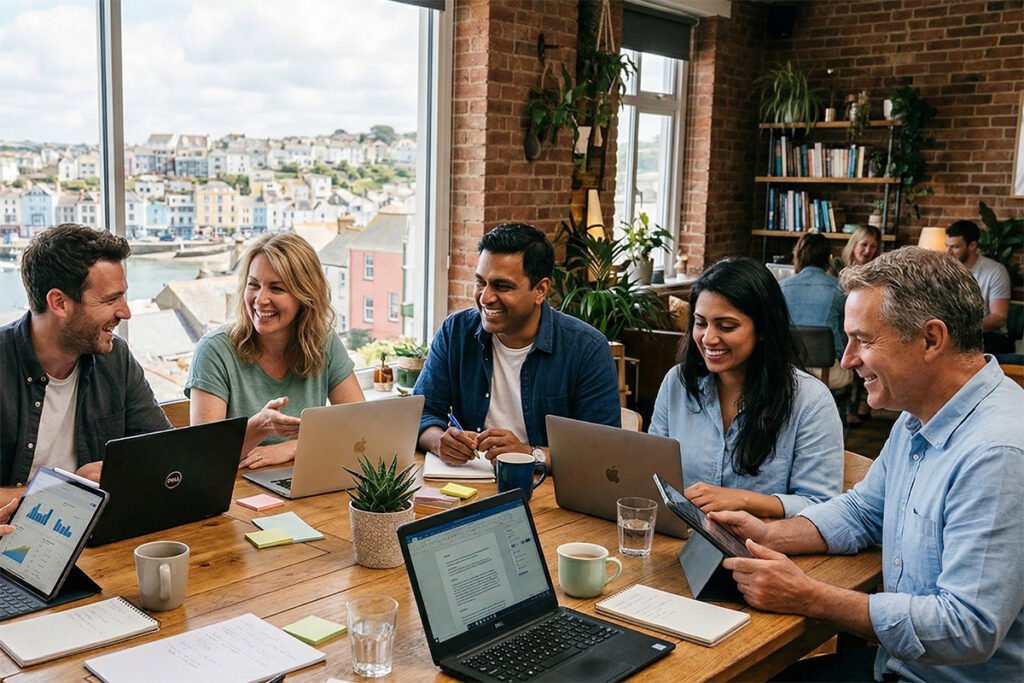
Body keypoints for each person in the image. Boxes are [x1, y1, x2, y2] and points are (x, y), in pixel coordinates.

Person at [714, 247, 1024, 682]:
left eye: (864, 339)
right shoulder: (920, 416)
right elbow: (863, 510)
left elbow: (966, 627)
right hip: (897, 666)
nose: (847, 359)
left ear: (932, 339)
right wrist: (772, 534)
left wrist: (809, 597)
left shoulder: (998, 453)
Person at [650, 257, 843, 519]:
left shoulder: (810, 401)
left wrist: (742, 500)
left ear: (763, 328)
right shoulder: (678, 383)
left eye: (726, 326)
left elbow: (821, 506)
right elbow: (654, 478)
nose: (708, 338)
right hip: (682, 543)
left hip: (766, 551)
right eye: (700, 323)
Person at [414, 223, 621, 467]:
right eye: (481, 282)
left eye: (502, 286)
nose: (485, 297)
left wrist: (527, 453)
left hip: (547, 491)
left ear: (540, 290)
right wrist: (439, 441)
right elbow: (421, 414)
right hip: (468, 484)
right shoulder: (455, 331)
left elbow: (601, 450)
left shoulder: (587, 348)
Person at [0, 224, 171, 488]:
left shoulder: (116, 358)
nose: (125, 312)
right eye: (110, 300)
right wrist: (67, 490)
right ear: (59, 303)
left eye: (123, 296)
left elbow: (164, 454)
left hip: (101, 525)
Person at [186, 233, 363, 469]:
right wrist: (260, 426)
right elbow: (204, 455)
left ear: (305, 296)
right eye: (253, 285)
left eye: (276, 288)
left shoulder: (324, 342)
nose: (260, 299)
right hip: (237, 491)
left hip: (303, 480)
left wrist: (292, 447)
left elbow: (360, 426)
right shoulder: (215, 351)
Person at [781, 232, 853, 393]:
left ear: (797, 257)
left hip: (788, 370)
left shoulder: (781, 287)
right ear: (828, 258)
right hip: (829, 373)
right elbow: (844, 335)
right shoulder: (840, 289)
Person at [834, 225, 882, 425]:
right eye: (864, 244)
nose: (868, 250)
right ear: (854, 244)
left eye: (873, 246)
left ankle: (857, 406)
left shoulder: (876, 272)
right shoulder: (837, 268)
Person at [945, 219, 1012, 354]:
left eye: (955, 247)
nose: (948, 252)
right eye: (946, 246)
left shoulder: (995, 271)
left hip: (988, 335)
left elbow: (999, 317)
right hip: (953, 335)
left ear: (972, 246)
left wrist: (963, 329)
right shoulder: (945, 270)